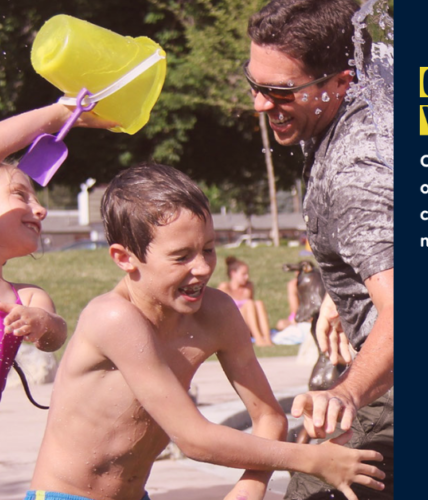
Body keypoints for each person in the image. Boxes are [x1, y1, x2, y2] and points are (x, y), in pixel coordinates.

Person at [27, 163, 385, 500]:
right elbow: (194, 439)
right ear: (124, 258)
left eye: (209, 249)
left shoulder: (217, 313)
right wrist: (312, 460)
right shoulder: (113, 318)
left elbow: (268, 417)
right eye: (181, 257)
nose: (201, 268)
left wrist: (251, 485)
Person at [246, 0, 394, 498]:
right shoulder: (382, 92)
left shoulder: (354, 175)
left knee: (313, 486)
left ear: (340, 82)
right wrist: (344, 285)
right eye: (255, 84)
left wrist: (347, 391)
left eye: (281, 92)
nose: (261, 105)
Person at [0, 103, 112, 500]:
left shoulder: (26, 296)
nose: (40, 208)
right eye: (20, 195)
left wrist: (40, 322)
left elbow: (55, 334)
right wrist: (61, 112)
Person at [218, 255, 274, 345]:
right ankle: (258, 339)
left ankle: (267, 339)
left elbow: (252, 312)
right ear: (233, 274)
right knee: (249, 303)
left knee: (258, 303)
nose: (247, 277)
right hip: (232, 324)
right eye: (243, 274)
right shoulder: (224, 287)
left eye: (247, 274)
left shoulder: (248, 287)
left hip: (247, 326)